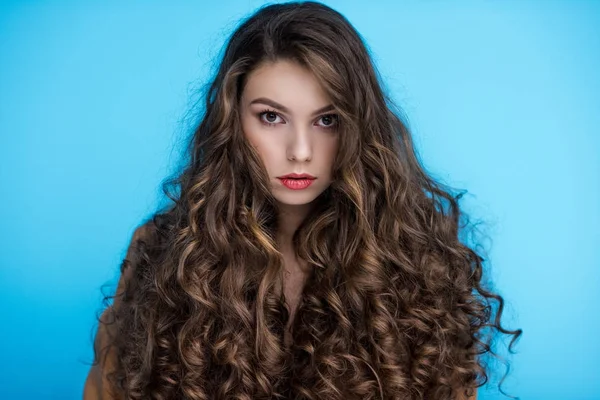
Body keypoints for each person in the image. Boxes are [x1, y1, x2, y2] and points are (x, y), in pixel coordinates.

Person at [84, 1, 521, 399]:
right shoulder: (165, 252)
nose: (300, 151)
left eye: (326, 120)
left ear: (358, 127)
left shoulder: (418, 262)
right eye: (271, 117)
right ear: (233, 121)